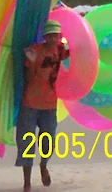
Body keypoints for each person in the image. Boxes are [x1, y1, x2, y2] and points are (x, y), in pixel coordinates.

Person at [15, 20, 69, 192]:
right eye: (50, 35)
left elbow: (78, 55)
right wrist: (30, 63)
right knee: (27, 144)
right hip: (29, 104)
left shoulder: (61, 51)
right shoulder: (35, 51)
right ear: (44, 37)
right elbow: (29, 79)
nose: (54, 39)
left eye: (56, 35)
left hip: (50, 105)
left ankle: (44, 165)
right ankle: (27, 183)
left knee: (48, 142)